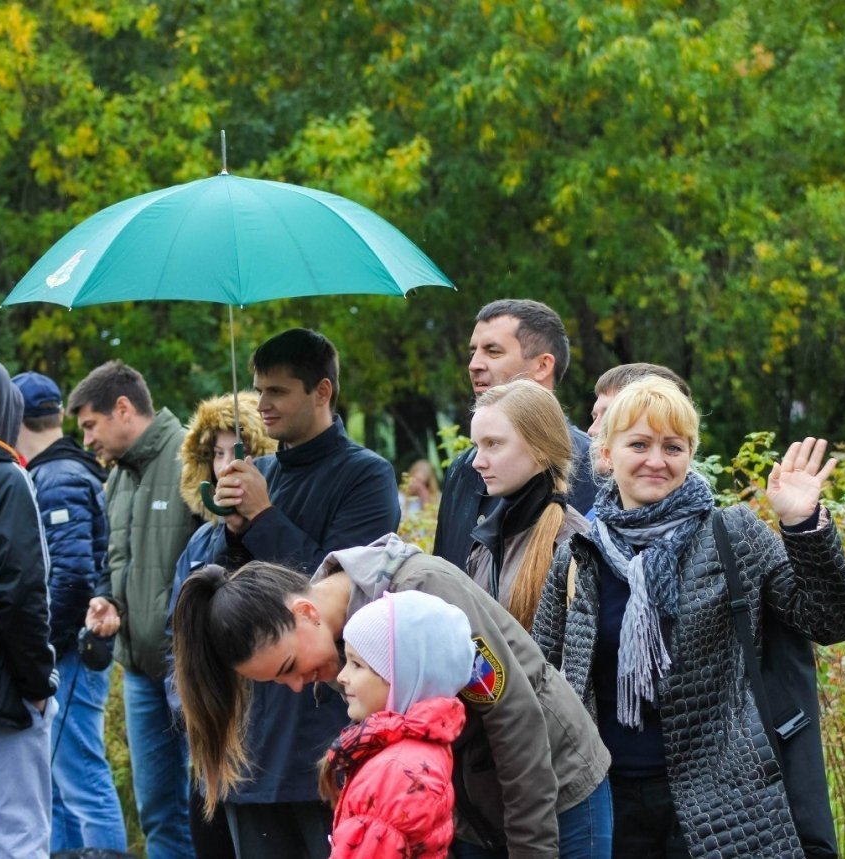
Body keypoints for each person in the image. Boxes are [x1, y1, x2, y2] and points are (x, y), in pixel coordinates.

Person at [532, 377, 845, 857]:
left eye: (674, 446)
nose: (657, 460)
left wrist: (802, 525)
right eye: (639, 444)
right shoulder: (579, 554)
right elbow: (545, 673)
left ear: (690, 454)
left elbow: (828, 620)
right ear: (606, 454)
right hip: (604, 799)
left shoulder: (732, 535)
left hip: (723, 798)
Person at [172, 533, 613, 859]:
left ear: (305, 612)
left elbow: (514, 717)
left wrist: (531, 853)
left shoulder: (423, 592)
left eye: (289, 668)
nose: (297, 685)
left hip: (554, 795)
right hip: (476, 815)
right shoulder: (334, 644)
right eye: (277, 682)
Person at [201, 328, 401, 859]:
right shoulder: (259, 472)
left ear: (322, 392)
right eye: (259, 389)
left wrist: (264, 517)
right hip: (253, 737)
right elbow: (233, 608)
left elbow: (343, 594)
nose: (262, 405)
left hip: (323, 729)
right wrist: (231, 530)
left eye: (278, 391)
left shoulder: (367, 475)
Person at [68, 360, 200, 859]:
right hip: (141, 674)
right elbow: (116, 562)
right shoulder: (118, 478)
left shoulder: (193, 456)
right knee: (157, 811)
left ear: (122, 409)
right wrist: (110, 600)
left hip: (192, 670)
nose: (87, 441)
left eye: (89, 425)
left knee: (213, 806)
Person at [11, 371, 127, 853]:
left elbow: (74, 577)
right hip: (69, 649)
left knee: (80, 775)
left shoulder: (57, 478)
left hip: (70, 653)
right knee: (58, 783)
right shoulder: (65, 470)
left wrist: (39, 648)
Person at [164, 391, 277, 858]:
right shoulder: (199, 540)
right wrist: (187, 704)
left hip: (271, 742)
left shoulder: (279, 528)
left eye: (239, 452)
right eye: (216, 453)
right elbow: (178, 638)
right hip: (210, 737)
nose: (225, 465)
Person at [433, 299, 598, 569]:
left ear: (543, 366)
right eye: (473, 352)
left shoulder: (592, 467)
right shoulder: (464, 468)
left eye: (493, 351)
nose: (474, 364)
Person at [317, 590, 475, 858]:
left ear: (403, 676)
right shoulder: (412, 747)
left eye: (357, 664)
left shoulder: (393, 774)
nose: (342, 676)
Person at [0, 354, 59, 859]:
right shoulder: (5, 478)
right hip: (0, 689)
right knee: (19, 836)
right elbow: (22, 592)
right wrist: (37, 684)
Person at [466, 380, 589, 629]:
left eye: (493, 443)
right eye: (476, 446)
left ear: (541, 447)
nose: (477, 462)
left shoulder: (575, 545)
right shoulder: (485, 544)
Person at [584, 363, 692, 519]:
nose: (591, 431)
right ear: (607, 454)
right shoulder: (589, 530)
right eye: (595, 417)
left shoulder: (727, 532)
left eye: (608, 417)